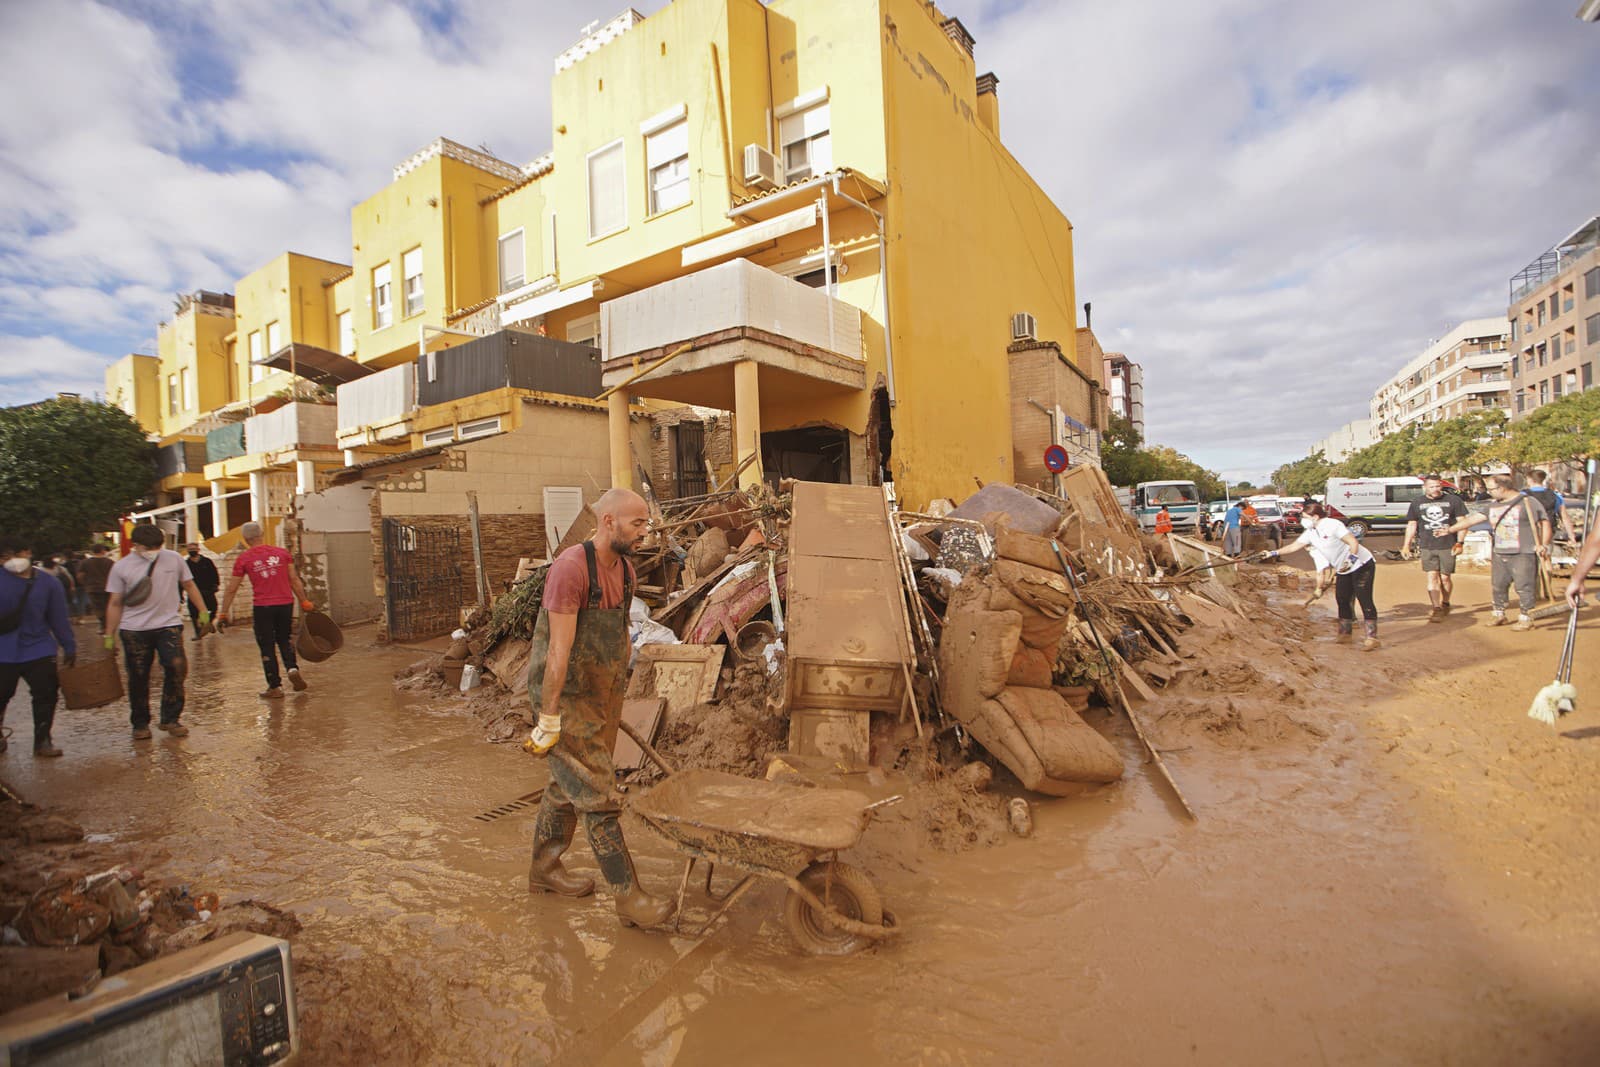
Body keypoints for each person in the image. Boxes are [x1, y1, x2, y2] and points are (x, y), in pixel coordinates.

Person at [523, 488, 674, 930]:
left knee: (567, 782)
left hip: (599, 693)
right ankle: (628, 897)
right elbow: (559, 651)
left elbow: (622, 637)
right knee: (597, 793)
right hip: (565, 696)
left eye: (646, 523)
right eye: (637, 524)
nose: (646, 532)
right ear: (608, 522)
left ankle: (544, 869)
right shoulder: (571, 568)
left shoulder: (624, 570)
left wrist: (618, 691)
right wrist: (549, 719)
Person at [105, 525, 210, 741]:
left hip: (168, 625)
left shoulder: (174, 559)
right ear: (136, 546)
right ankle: (140, 723)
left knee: (177, 667)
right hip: (134, 629)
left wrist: (203, 611)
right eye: (148, 547)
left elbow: (189, 585)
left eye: (157, 546)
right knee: (138, 676)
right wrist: (109, 634)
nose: (154, 550)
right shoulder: (122, 567)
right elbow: (115, 602)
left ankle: (171, 718)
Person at [1262, 502, 1381, 649]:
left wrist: (1352, 559)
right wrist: (1273, 553)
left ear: (1315, 516)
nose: (1302, 520)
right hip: (1343, 568)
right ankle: (1345, 633)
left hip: (1361, 565)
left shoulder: (1332, 525)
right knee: (1342, 598)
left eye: (1305, 517)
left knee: (1364, 598)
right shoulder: (1311, 532)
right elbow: (1294, 546)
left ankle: (1371, 637)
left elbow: (1353, 542)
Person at [1441, 474, 1551, 631]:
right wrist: (1450, 529)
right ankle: (1499, 614)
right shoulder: (1493, 505)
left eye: (1491, 489)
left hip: (1523, 552)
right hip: (1500, 551)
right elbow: (1474, 519)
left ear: (1502, 488)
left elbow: (1544, 523)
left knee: (1524, 586)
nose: (1489, 492)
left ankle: (1526, 616)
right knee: (1498, 585)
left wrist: (1544, 544)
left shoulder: (1528, 502)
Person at [217, 523, 314, 699]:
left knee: (266, 645)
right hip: (286, 604)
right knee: (284, 639)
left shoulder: (244, 559)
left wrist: (223, 613)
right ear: (262, 534)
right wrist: (304, 601)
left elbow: (232, 589)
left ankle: (275, 686)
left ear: (245, 539)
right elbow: (294, 579)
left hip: (263, 607)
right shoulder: (282, 553)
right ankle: (292, 668)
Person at [0, 539, 76, 757]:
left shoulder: (49, 583)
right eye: (4, 557)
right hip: (3, 650)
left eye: (17, 554)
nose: (11, 561)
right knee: (1, 694)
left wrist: (69, 645)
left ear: (28, 553)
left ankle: (43, 740)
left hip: (39, 648)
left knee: (47, 694)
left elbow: (58, 617)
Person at [1401, 475, 1468, 623]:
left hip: (1448, 544)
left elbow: (1463, 522)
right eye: (1432, 486)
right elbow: (1412, 524)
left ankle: (1445, 602)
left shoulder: (1453, 501)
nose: (1436, 489)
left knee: (1445, 578)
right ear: (1425, 487)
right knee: (1432, 576)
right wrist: (1406, 545)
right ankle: (1436, 608)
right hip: (1427, 545)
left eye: (1438, 486)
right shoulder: (1417, 503)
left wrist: (1460, 543)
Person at [1523, 469, 1576, 542]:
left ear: (1530, 480)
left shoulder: (1522, 495)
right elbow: (1565, 517)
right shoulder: (1555, 495)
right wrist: (1571, 536)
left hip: (1526, 533)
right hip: (1548, 534)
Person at [184, 543, 221, 641]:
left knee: (213, 608)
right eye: (190, 549)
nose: (192, 550)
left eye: (194, 549)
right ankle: (198, 633)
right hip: (193, 593)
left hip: (208, 590)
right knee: (194, 614)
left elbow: (214, 573)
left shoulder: (207, 562)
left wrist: (215, 585)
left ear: (198, 549)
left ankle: (209, 623)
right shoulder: (186, 564)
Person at [78, 544, 114, 633]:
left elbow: (80, 576)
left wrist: (86, 584)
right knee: (108, 607)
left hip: (92, 589)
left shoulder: (85, 562)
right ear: (103, 551)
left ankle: (103, 626)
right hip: (108, 588)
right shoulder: (110, 562)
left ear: (92, 551)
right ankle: (108, 626)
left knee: (97, 608)